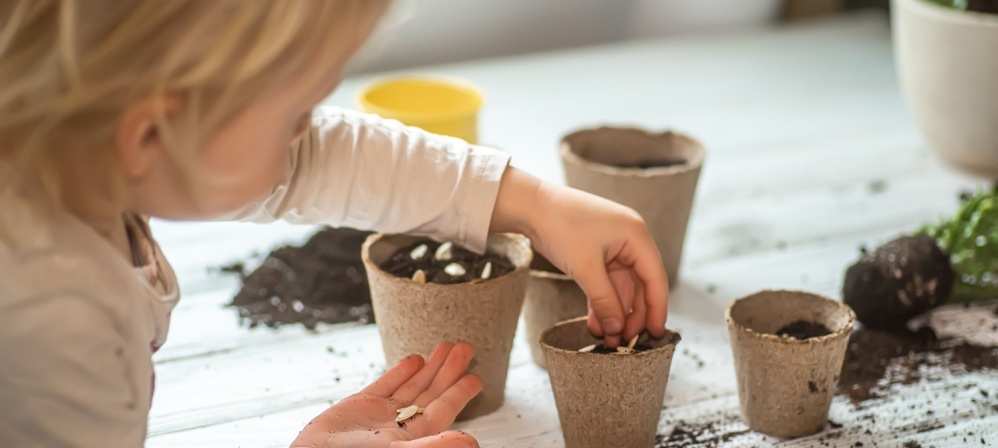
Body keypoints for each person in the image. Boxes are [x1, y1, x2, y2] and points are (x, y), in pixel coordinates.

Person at [0, 1, 670, 447]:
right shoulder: (52, 327)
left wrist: (531, 203)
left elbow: (321, 162)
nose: (307, 136)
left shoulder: (76, 155)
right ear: (149, 133)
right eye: (295, 115)